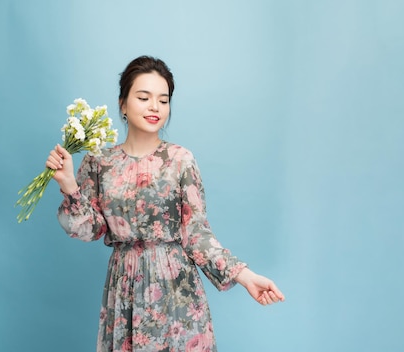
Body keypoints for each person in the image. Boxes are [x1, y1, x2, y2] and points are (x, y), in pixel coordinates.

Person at [45, 55, 285, 351]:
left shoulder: (180, 160)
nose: (154, 107)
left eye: (163, 100)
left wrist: (246, 277)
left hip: (175, 291)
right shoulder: (99, 162)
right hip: (124, 287)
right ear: (123, 103)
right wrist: (69, 185)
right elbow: (88, 230)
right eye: (143, 97)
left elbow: (196, 233)